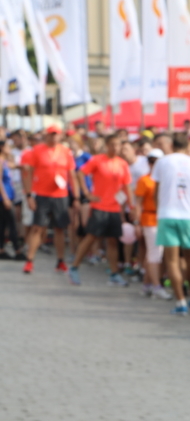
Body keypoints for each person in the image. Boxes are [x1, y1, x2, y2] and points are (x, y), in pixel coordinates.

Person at [152, 132, 190, 315]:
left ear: (172, 145)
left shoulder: (163, 161)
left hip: (167, 215)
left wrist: (160, 208)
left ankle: (180, 302)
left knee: (172, 261)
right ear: (188, 146)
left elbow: (155, 190)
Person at [67, 135, 133, 287]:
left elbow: (127, 186)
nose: (115, 148)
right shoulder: (97, 160)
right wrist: (87, 193)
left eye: (118, 145)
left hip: (115, 208)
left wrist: (131, 206)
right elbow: (80, 173)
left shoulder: (122, 164)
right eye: (112, 145)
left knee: (112, 241)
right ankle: (75, 267)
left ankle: (114, 274)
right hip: (99, 207)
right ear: (107, 145)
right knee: (91, 237)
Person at [20, 125, 79, 274]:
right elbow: (28, 174)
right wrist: (29, 195)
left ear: (60, 136)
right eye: (51, 134)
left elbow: (72, 175)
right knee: (37, 227)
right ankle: (29, 260)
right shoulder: (37, 150)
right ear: (46, 136)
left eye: (56, 134)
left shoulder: (66, 152)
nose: (53, 137)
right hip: (41, 194)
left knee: (60, 228)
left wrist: (76, 197)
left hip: (61, 195)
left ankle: (60, 261)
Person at [132, 149, 170, 299]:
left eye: (157, 161)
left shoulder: (166, 179)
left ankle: (147, 284)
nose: (154, 164)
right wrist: (137, 223)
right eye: (151, 161)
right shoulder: (144, 180)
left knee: (153, 255)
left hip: (164, 218)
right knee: (155, 255)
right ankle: (156, 286)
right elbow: (138, 204)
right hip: (149, 219)